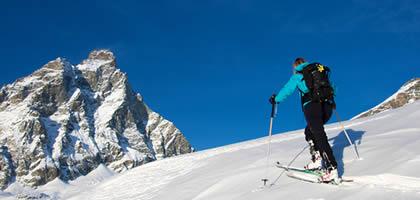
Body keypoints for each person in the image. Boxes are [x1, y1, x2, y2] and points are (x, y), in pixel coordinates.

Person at [269, 57, 339, 183]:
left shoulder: (298, 76)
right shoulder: (319, 71)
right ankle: (316, 160)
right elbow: (334, 89)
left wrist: (276, 99)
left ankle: (331, 168)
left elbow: (287, 90)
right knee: (310, 132)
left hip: (312, 107)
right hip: (327, 108)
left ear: (295, 67)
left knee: (319, 135)